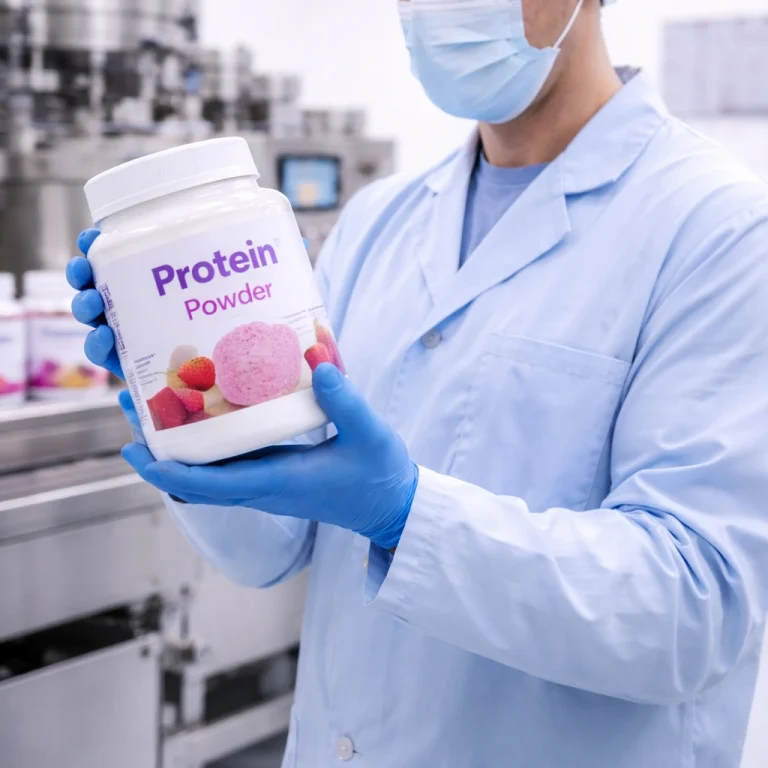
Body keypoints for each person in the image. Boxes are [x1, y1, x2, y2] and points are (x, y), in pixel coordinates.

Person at [68, 0, 768, 765]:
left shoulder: (723, 231)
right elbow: (266, 553)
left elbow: (695, 612)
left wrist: (407, 515)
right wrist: (194, 433)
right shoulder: (379, 220)